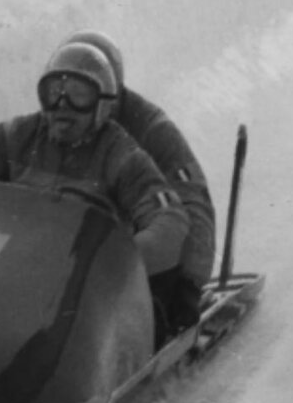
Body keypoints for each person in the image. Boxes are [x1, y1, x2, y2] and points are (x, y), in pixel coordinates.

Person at [0, 43, 189, 283]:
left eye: (79, 95)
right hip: (10, 271)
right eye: (54, 92)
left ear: (102, 104)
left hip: (80, 287)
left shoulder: (121, 155)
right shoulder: (12, 137)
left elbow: (168, 219)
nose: (62, 104)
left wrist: (120, 262)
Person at [60, 31, 217, 331]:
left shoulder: (152, 131)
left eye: (84, 89)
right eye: (65, 88)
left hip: (131, 256)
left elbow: (192, 200)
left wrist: (188, 283)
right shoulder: (55, 125)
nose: (68, 102)